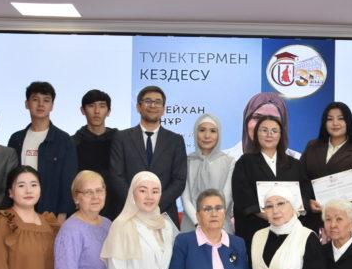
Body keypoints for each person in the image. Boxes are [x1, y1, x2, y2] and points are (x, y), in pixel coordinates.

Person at [231, 115, 312, 254]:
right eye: (264, 130)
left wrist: (290, 215)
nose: (269, 134)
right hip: (256, 229)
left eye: (274, 131)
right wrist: (270, 215)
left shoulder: (295, 164)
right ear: (256, 134)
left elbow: (305, 192)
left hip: (290, 230)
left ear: (281, 135)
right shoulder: (245, 162)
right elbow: (242, 195)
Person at [109, 86, 187, 224]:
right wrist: (136, 204)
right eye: (148, 101)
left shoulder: (175, 141)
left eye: (158, 102)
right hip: (129, 214)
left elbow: (179, 180)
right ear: (138, 107)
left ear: (163, 109)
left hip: (164, 214)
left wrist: (154, 205)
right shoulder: (121, 138)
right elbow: (116, 176)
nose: (153, 105)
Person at [7, 81, 77, 221]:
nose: (40, 104)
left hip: (51, 214)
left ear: (52, 105)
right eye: (35, 99)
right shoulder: (16, 139)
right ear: (27, 104)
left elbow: (69, 180)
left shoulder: (64, 140)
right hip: (19, 211)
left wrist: (62, 214)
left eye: (46, 100)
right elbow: (9, 177)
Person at [301, 102, 352, 235]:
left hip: (343, 221)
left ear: (348, 122)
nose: (335, 123)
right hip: (312, 219)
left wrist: (343, 209)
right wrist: (307, 203)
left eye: (340, 118)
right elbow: (300, 179)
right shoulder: (312, 146)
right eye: (330, 119)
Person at [181, 114, 235, 233]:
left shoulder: (229, 162)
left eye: (213, 131)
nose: (207, 135)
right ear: (195, 133)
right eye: (202, 130)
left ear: (219, 134)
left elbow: (226, 198)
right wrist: (198, 223)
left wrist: (212, 220)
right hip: (191, 225)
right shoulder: (186, 161)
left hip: (220, 226)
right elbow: (185, 199)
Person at [73, 89, 120, 220]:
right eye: (91, 106)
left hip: (117, 208)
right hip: (84, 209)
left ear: (109, 111)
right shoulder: (73, 143)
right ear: (82, 110)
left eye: (102, 106)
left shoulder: (120, 140)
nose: (97, 111)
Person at [224, 91, 301, 160]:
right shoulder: (222, 162)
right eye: (257, 117)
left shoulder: (299, 163)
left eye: (274, 119)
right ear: (246, 121)